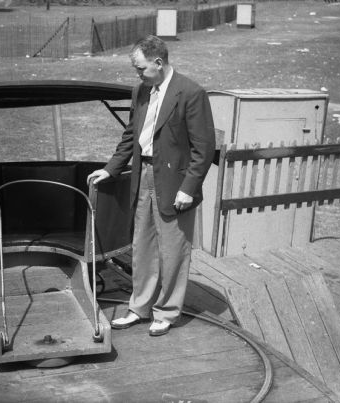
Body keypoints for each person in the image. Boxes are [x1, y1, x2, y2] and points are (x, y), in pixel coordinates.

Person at [87, 35, 215, 336]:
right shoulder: (142, 91)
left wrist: (189, 187)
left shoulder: (191, 93)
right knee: (142, 246)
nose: (137, 74)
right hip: (143, 175)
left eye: (141, 68)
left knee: (173, 249)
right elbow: (132, 135)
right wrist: (111, 169)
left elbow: (204, 148)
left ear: (159, 63)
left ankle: (167, 312)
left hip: (175, 182)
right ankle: (139, 307)